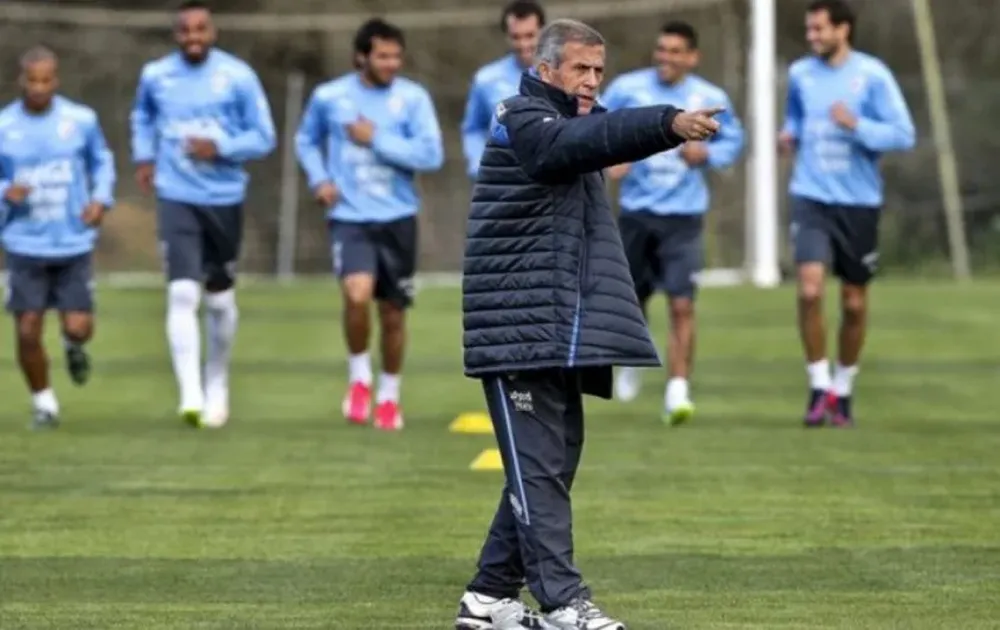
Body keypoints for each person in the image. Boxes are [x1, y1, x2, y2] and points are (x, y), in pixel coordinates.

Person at [457, 18, 723, 630]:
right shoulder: (520, 118)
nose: (592, 81)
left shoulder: (575, 124)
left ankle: (488, 596)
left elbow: (591, 138)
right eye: (581, 68)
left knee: (552, 462)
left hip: (554, 327)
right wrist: (666, 123)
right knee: (541, 469)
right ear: (545, 68)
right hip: (514, 330)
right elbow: (568, 147)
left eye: (599, 71)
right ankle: (562, 603)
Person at [130, 0, 276, 429]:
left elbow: (263, 137)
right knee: (181, 293)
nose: (193, 37)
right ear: (176, 34)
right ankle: (190, 392)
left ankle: (217, 379)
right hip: (176, 194)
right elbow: (142, 115)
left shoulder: (238, 77)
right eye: (185, 31)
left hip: (224, 198)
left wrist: (222, 148)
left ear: (212, 32)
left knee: (219, 300)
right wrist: (144, 157)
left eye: (201, 30)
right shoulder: (156, 76)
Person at [295, 18, 444, 431]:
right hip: (350, 217)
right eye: (383, 55)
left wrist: (376, 137)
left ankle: (390, 396)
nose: (392, 63)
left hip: (397, 217)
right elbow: (305, 140)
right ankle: (360, 377)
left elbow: (430, 156)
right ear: (361, 56)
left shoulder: (413, 99)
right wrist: (320, 179)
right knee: (356, 294)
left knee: (393, 314)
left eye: (397, 56)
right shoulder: (331, 97)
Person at [780, 0, 915, 428]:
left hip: (858, 203)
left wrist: (857, 125)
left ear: (843, 30)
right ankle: (818, 384)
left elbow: (902, 134)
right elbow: (797, 120)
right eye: (809, 30)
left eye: (819, 29)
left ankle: (843, 388)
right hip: (811, 196)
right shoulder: (801, 74)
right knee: (810, 291)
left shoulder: (873, 75)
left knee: (854, 304)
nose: (812, 37)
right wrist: (790, 135)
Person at [602, 21, 744, 424]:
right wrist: (613, 154)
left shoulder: (709, 97)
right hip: (636, 213)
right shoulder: (629, 89)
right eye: (661, 49)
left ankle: (677, 390)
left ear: (692, 57)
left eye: (675, 51)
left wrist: (710, 155)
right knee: (632, 300)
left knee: (682, 303)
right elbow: (598, 124)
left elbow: (734, 139)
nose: (666, 57)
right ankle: (632, 359)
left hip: (683, 217)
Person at [0, 46, 115, 429]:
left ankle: (73, 345)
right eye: (31, 80)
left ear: (57, 80)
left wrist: (100, 199)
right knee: (28, 327)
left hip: (72, 241)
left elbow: (102, 161)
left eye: (45, 80)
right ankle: (44, 404)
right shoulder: (4, 126)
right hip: (23, 242)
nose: (38, 87)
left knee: (77, 326)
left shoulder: (80, 120)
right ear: (21, 80)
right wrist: (4, 191)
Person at [461, 1, 546, 178]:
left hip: (557, 186)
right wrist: (478, 167)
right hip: (506, 186)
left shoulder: (566, 73)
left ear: (544, 33)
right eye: (516, 37)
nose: (523, 44)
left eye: (530, 35)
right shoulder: (486, 79)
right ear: (507, 36)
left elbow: (593, 117)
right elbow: (473, 128)